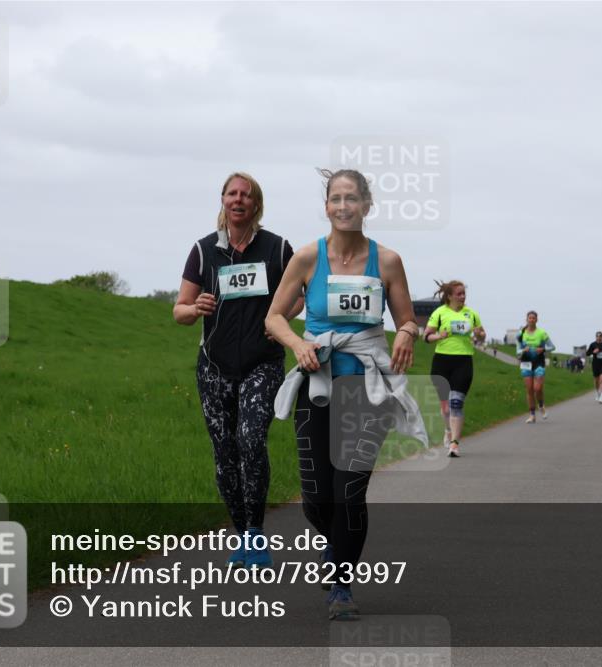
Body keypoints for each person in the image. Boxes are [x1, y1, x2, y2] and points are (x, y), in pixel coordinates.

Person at [266, 168, 426, 621]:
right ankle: (336, 548)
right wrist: (298, 344)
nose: (343, 206)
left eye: (351, 198)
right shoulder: (306, 259)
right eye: (335, 198)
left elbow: (407, 318)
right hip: (316, 385)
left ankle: (340, 585)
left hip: (367, 388)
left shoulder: (388, 261)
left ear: (366, 205)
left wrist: (407, 333)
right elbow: (274, 317)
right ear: (326, 206)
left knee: (349, 492)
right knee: (317, 496)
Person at [174, 172, 303, 570]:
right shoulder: (203, 250)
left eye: (246, 194)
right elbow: (179, 309)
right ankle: (240, 532)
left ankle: (256, 533)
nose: (239, 199)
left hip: (262, 364)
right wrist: (195, 310)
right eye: (232, 193)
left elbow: (299, 298)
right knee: (224, 454)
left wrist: (278, 316)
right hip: (213, 368)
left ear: (256, 204)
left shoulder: (278, 248)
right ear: (223, 201)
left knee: (250, 440)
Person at [424, 280, 486, 457]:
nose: (463, 296)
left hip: (463, 361)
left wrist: (480, 335)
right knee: (445, 408)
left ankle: (454, 444)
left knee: (456, 403)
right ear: (449, 296)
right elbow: (426, 337)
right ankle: (447, 430)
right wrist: (439, 336)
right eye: (459, 294)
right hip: (442, 361)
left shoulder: (471, 314)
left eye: (464, 293)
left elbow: (481, 336)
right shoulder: (440, 313)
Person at [515, 311, 555, 423]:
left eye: (533, 318)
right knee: (529, 390)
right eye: (530, 318)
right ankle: (532, 415)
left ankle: (541, 405)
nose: (531, 320)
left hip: (538, 362)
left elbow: (552, 347)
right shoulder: (521, 334)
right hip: (526, 363)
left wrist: (543, 349)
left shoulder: (542, 333)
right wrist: (523, 350)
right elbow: (517, 352)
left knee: (537, 388)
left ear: (537, 320)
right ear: (526, 320)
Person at [586, 331, 602, 403]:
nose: (599, 337)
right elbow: (587, 353)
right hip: (596, 364)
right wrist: (593, 352)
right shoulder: (593, 344)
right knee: (596, 381)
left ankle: (601, 396)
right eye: (597, 336)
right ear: (595, 337)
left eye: (600, 336)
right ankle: (597, 392)